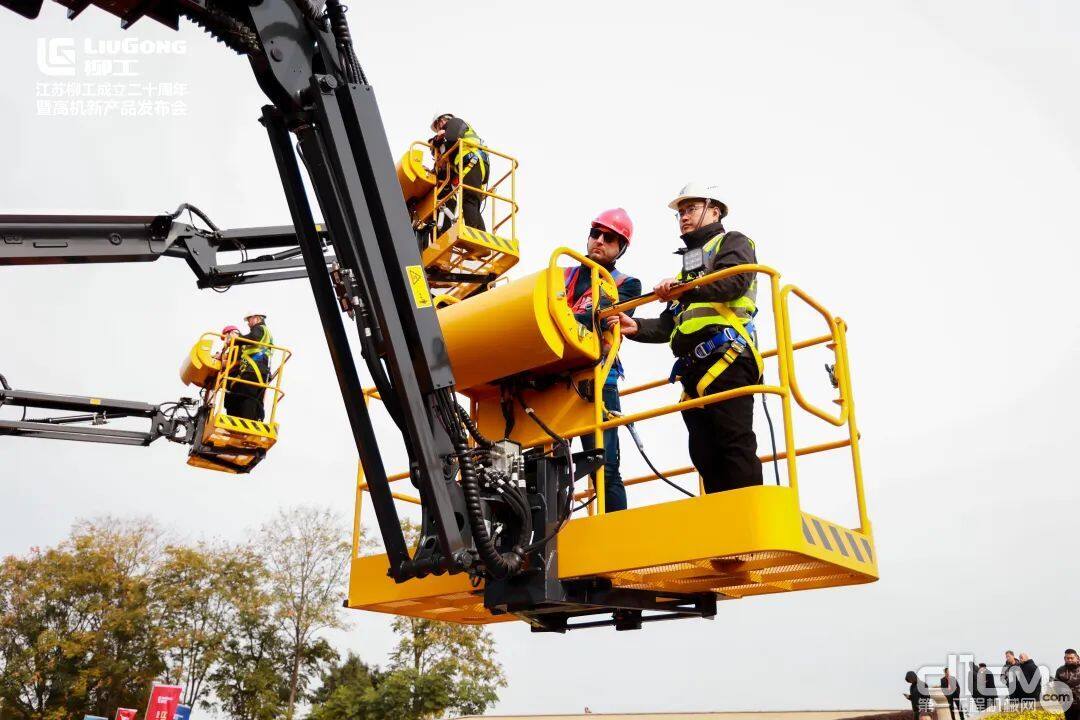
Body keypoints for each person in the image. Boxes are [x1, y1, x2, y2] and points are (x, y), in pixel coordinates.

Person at [610, 182, 762, 493]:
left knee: (735, 447)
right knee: (705, 454)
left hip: (729, 358)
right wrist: (636, 327)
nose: (683, 216)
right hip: (695, 369)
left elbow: (733, 282)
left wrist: (685, 288)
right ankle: (725, 524)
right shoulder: (686, 275)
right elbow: (669, 325)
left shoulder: (733, 242)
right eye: (680, 212)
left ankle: (750, 525)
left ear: (714, 210)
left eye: (690, 209)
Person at [567, 208, 641, 513]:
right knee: (545, 467)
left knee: (605, 466)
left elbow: (599, 320)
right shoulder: (564, 275)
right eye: (595, 233)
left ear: (620, 247)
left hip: (599, 380)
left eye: (609, 238)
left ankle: (616, 538)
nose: (598, 240)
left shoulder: (626, 284)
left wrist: (569, 317)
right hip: (556, 379)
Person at [430, 113, 488, 233]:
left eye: (438, 125)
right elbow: (446, 156)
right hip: (473, 165)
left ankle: (472, 235)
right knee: (471, 202)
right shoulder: (455, 145)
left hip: (472, 162)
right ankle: (482, 235)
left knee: (468, 200)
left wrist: (440, 138)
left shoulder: (455, 122)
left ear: (443, 120)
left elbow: (451, 138)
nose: (439, 128)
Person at [223, 313, 274, 421]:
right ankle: (257, 420)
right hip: (260, 370)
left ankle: (243, 420)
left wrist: (236, 339)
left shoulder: (259, 328)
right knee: (255, 398)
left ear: (256, 318)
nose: (248, 323)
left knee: (244, 395)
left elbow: (253, 338)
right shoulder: (264, 333)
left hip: (253, 369)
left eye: (249, 320)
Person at [1055, 649, 1080, 720]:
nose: (1069, 660)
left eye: (1071, 658)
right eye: (1067, 658)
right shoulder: (1060, 670)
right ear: (1064, 658)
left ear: (1077, 657)